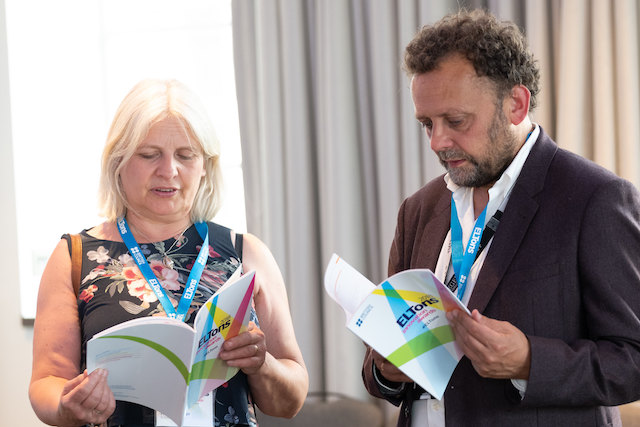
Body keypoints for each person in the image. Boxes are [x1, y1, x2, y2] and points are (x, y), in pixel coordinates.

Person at [362, 9, 640, 427]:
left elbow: (632, 358)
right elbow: (380, 361)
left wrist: (530, 361)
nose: (438, 141)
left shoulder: (594, 198)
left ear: (515, 104)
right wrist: (385, 371)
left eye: (455, 121)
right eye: (426, 124)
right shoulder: (418, 210)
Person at [29, 78, 309, 427]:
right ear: (119, 160)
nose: (169, 170)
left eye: (185, 155)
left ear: (205, 165)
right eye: (149, 155)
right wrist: (66, 405)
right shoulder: (73, 256)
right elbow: (46, 381)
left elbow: (291, 399)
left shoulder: (246, 253)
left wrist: (261, 363)